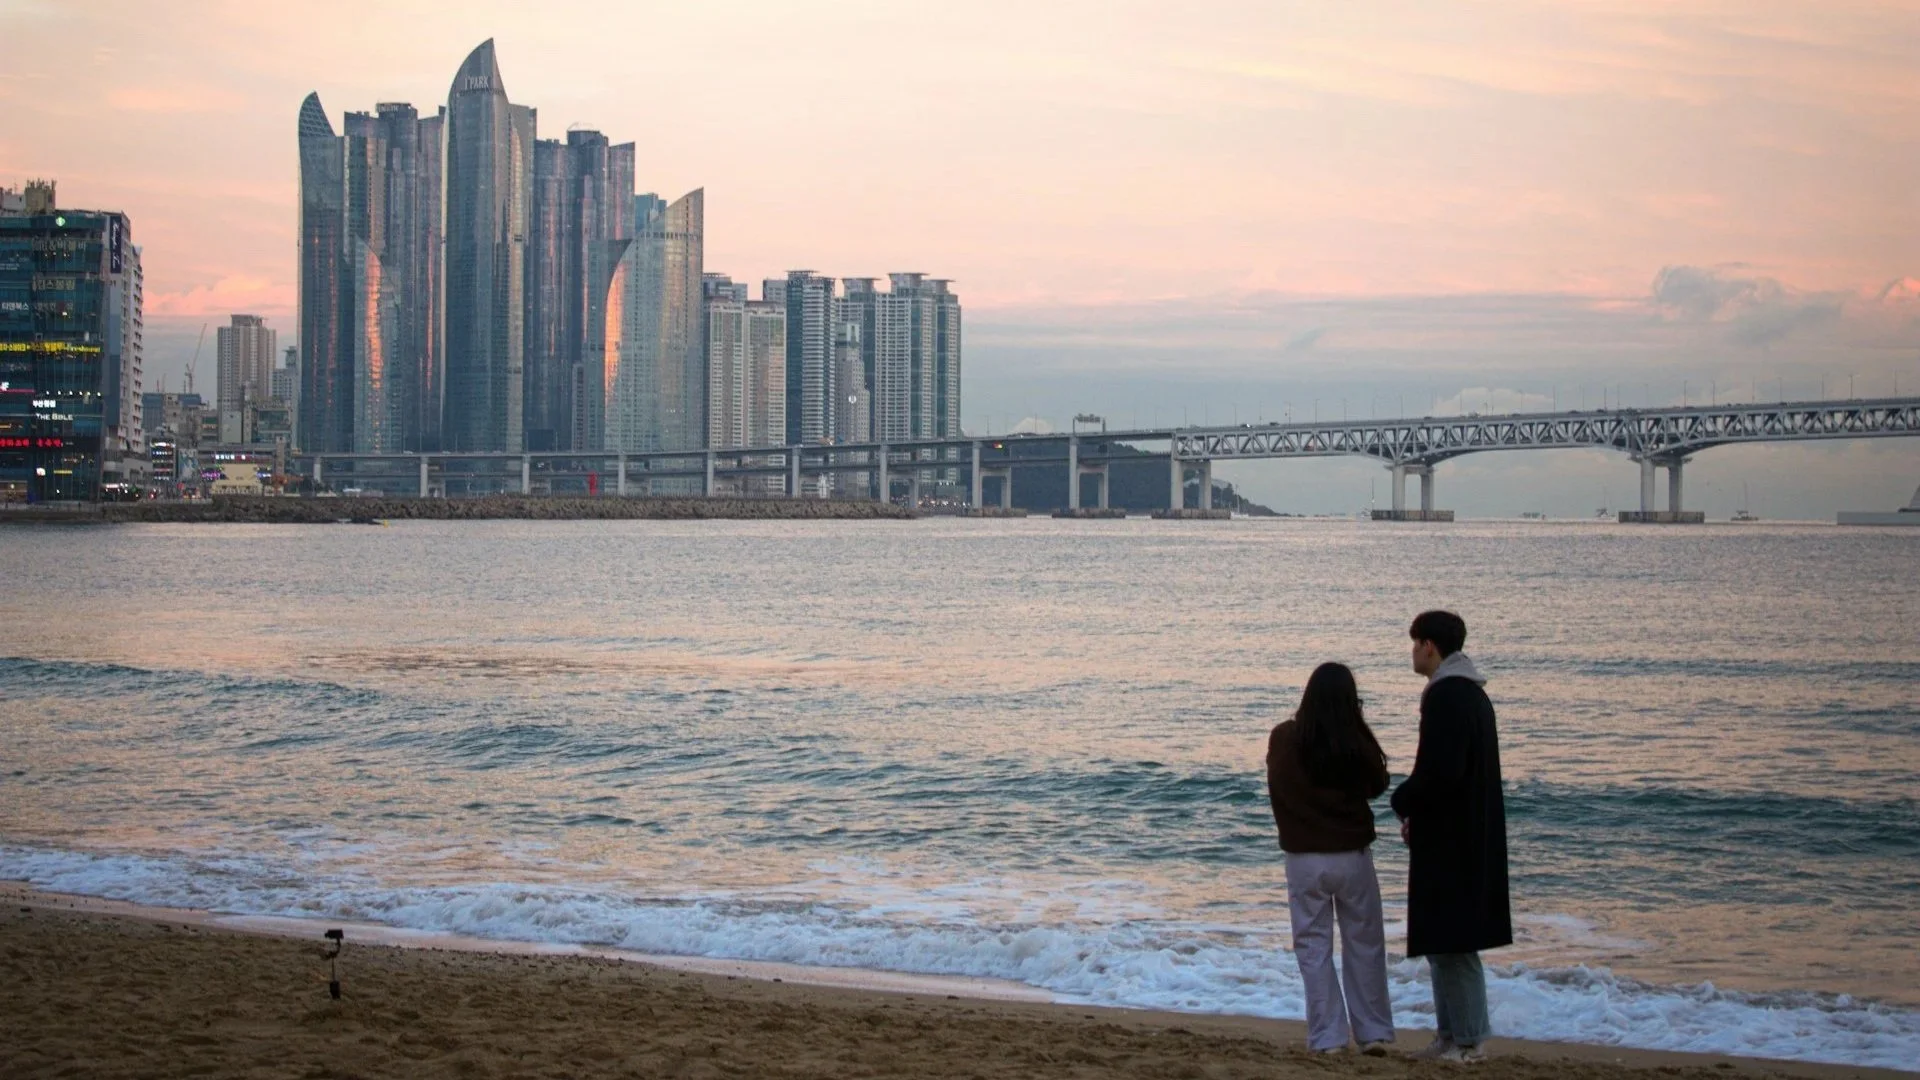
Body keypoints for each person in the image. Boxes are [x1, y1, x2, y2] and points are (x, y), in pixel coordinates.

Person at [1390, 610, 1512, 1063]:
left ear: (1429, 646)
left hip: (1453, 842)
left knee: (1454, 942)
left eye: (1414, 643)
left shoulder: (1447, 697)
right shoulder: (1471, 695)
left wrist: (1403, 800)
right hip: (1457, 833)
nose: (1412, 652)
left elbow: (1441, 772)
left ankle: (1469, 1039)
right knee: (1441, 942)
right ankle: (1450, 1035)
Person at [1266, 662, 1395, 1055]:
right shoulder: (1352, 739)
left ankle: (1328, 1037)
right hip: (1351, 854)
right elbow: (1379, 783)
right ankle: (1372, 1033)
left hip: (1305, 857)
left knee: (1313, 948)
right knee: (1365, 943)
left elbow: (1279, 789)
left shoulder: (1285, 738)